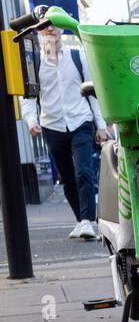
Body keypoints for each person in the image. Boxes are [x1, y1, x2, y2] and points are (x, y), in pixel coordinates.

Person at [20, 26, 109, 239]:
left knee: (84, 172)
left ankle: (88, 221)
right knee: (67, 177)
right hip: (52, 125)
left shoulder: (78, 56)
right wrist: (31, 120)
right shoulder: (35, 63)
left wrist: (101, 125)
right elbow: (28, 97)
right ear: (40, 33)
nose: (50, 29)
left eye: (54, 25)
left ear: (61, 29)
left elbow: (94, 92)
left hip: (81, 121)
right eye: (44, 26)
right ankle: (81, 220)